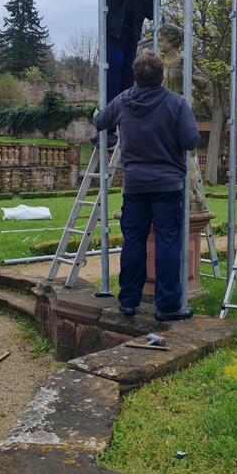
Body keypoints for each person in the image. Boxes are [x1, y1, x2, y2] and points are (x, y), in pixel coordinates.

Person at [93, 50, 199, 322]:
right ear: (162, 76)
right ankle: (167, 306)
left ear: (135, 77)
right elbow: (190, 140)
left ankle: (128, 301)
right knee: (167, 243)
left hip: (134, 185)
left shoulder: (123, 101)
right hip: (168, 185)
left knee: (133, 242)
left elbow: (99, 120)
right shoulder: (176, 103)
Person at [92, 0, 162, 148]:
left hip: (131, 40)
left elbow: (150, 13)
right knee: (111, 83)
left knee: (126, 87)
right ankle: (108, 130)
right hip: (113, 37)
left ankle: (124, 128)